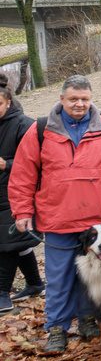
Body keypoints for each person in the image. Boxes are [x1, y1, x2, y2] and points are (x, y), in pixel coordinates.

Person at [9, 76, 101, 353]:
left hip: (95, 220)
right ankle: (57, 328)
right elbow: (23, 175)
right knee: (59, 278)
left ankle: (88, 318)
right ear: (62, 99)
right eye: (74, 99)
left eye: (85, 99)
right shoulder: (40, 130)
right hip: (56, 219)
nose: (79, 104)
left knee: (92, 276)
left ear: (91, 99)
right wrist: (23, 211)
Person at [0, 76, 41, 313]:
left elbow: (37, 162)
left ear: (8, 102)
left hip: (16, 193)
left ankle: (2, 293)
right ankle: (35, 283)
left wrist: (7, 164)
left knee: (7, 244)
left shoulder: (25, 125)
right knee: (19, 242)